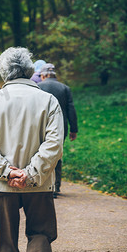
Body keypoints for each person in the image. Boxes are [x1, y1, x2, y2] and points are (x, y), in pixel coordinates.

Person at [0, 47, 64, 252]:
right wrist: (30, 173)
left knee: (6, 243)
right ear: (30, 70)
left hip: (2, 185)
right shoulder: (48, 101)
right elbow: (54, 144)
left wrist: (7, 172)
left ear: (3, 72)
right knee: (40, 234)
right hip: (39, 184)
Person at [38, 63, 78, 198]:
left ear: (42, 75)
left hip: (41, 126)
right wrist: (74, 129)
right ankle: (56, 186)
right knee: (57, 154)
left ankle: (43, 184)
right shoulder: (65, 88)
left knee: (41, 153)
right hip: (60, 127)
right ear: (55, 75)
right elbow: (70, 109)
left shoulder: (38, 87)